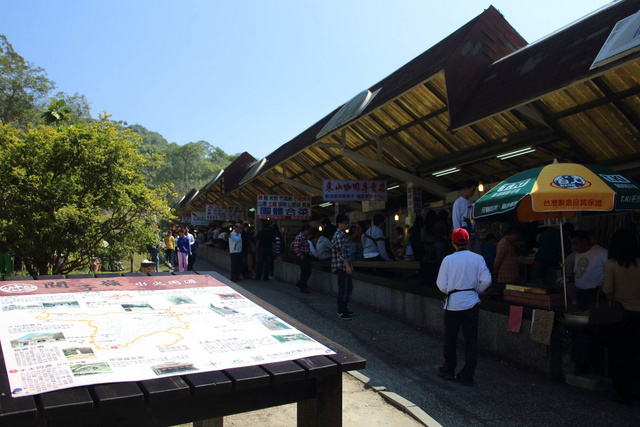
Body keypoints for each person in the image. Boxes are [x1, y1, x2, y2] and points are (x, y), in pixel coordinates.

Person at [436, 228, 492, 386]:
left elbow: (441, 284)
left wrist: (451, 291)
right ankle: (468, 374)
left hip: (453, 303)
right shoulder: (478, 258)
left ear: (453, 242)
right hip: (472, 303)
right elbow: (487, 280)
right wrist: (475, 291)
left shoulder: (448, 260)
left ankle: (448, 369)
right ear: (467, 241)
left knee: (450, 339)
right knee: (471, 341)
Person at [602, 230, 640, 404]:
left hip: (621, 316)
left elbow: (607, 290)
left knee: (621, 354)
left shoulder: (611, 265)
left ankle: (623, 392)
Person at [566, 230, 608, 310]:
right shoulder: (577, 254)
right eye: (572, 244)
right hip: (580, 293)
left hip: (595, 293)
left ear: (585, 241)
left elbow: (610, 271)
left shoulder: (601, 252)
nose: (574, 247)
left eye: (576, 243)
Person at [332, 214, 354, 320]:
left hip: (344, 266)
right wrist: (347, 266)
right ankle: (341, 311)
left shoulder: (343, 235)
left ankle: (344, 309)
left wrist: (350, 265)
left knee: (348, 288)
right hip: (341, 267)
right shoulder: (338, 236)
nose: (347, 225)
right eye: (345, 223)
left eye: (347, 223)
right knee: (343, 289)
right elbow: (342, 252)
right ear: (339, 224)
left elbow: (346, 252)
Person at [452, 181, 479, 253]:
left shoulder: (471, 202)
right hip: (464, 236)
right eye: (472, 190)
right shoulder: (458, 203)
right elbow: (456, 220)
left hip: (473, 234)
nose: (473, 193)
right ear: (466, 189)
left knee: (475, 253)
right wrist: (459, 236)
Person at [293, 224, 313, 293]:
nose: (309, 232)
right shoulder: (300, 237)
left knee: (306, 271)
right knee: (305, 271)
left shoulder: (304, 237)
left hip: (306, 255)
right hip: (303, 256)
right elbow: (296, 247)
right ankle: (302, 285)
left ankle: (301, 284)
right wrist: (300, 255)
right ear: (305, 230)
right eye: (308, 230)